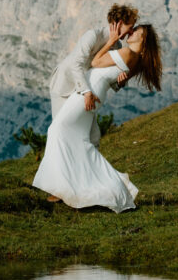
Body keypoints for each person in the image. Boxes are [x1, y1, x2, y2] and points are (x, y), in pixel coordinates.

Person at [33, 23, 162, 213]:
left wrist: (109, 41)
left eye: (137, 32)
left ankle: (76, 187)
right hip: (93, 93)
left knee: (58, 130)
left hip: (88, 94)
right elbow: (114, 79)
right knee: (78, 140)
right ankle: (85, 187)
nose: (131, 32)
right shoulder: (134, 58)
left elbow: (95, 63)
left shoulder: (127, 53)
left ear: (143, 39)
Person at [48, 4, 139, 147]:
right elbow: (75, 64)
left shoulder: (118, 47)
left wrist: (120, 83)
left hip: (86, 91)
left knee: (93, 136)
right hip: (64, 86)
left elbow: (108, 76)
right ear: (120, 23)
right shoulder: (93, 35)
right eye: (131, 26)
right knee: (62, 131)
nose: (131, 31)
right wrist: (87, 92)